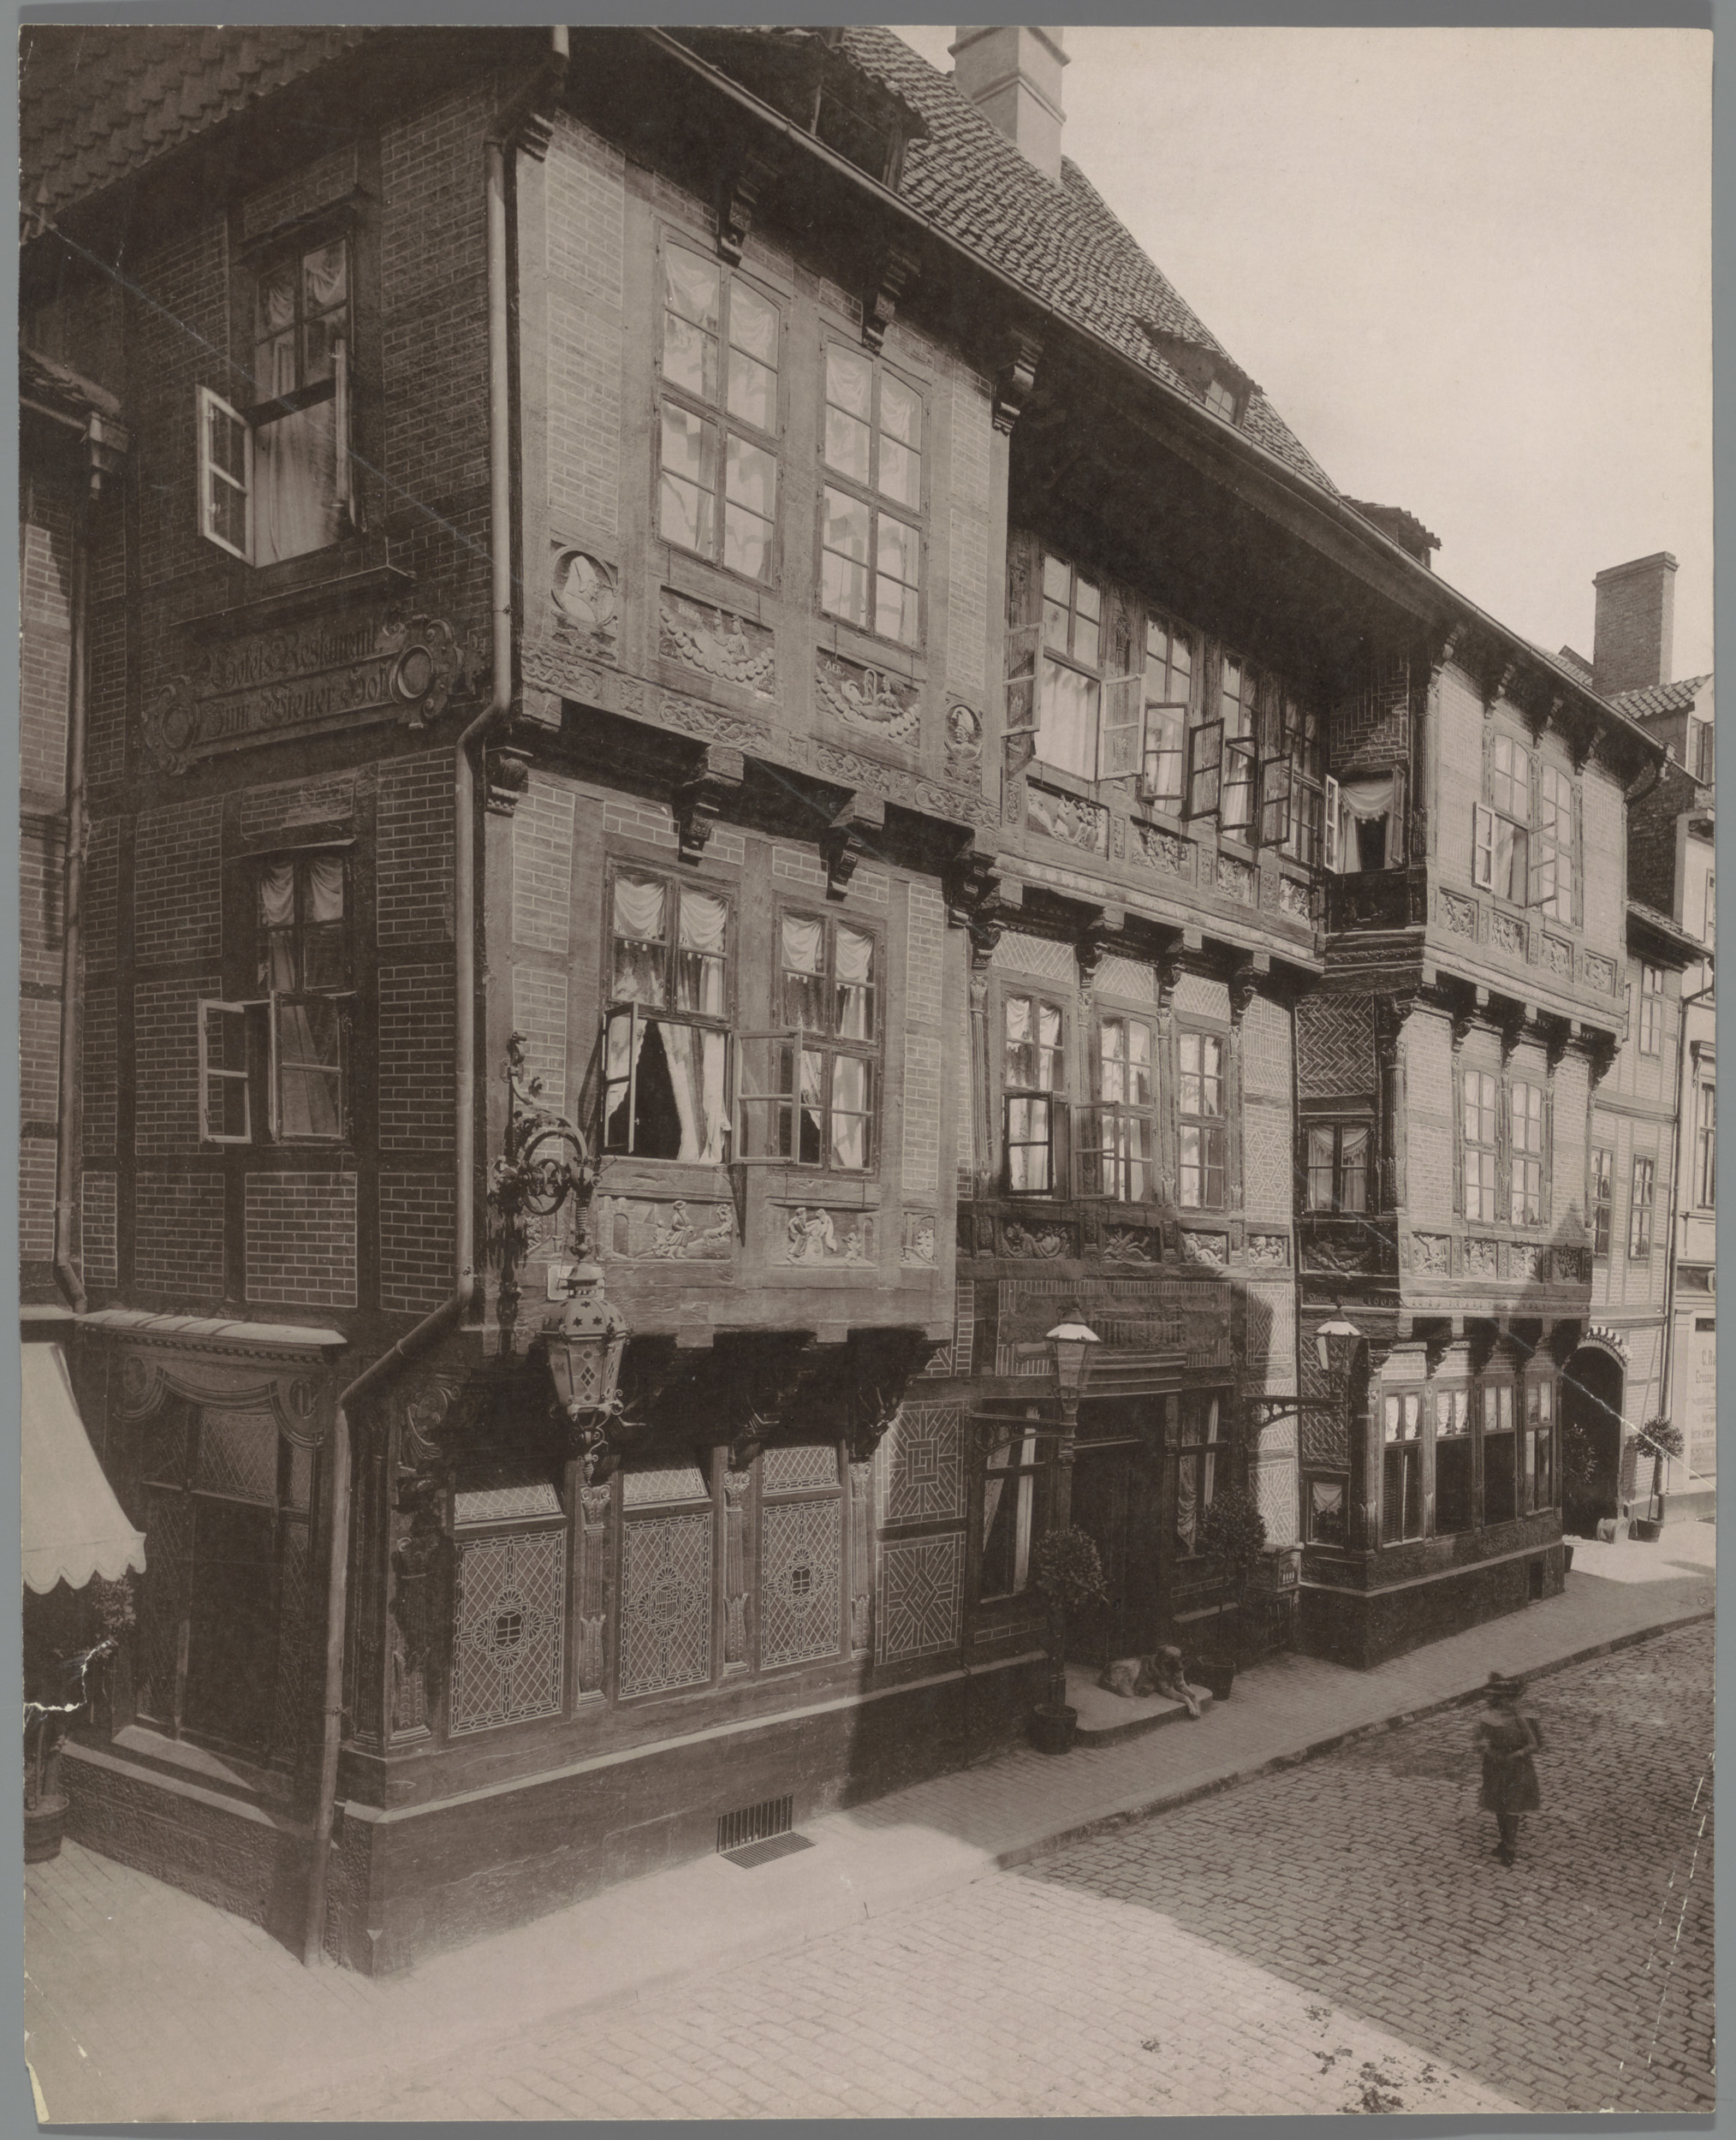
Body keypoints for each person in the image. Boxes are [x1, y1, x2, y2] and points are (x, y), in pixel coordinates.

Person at [1475, 1671, 1543, 1865]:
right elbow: (1477, 1741)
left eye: (1511, 1699)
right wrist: (1488, 1750)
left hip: (1517, 1767)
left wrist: (1517, 1754)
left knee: (1512, 1807)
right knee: (1499, 1806)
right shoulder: (1487, 1717)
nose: (1510, 1703)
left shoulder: (1518, 1719)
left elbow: (1533, 1744)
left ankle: (1510, 1848)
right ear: (1498, 1700)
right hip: (1495, 1766)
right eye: (1505, 1699)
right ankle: (1504, 1841)